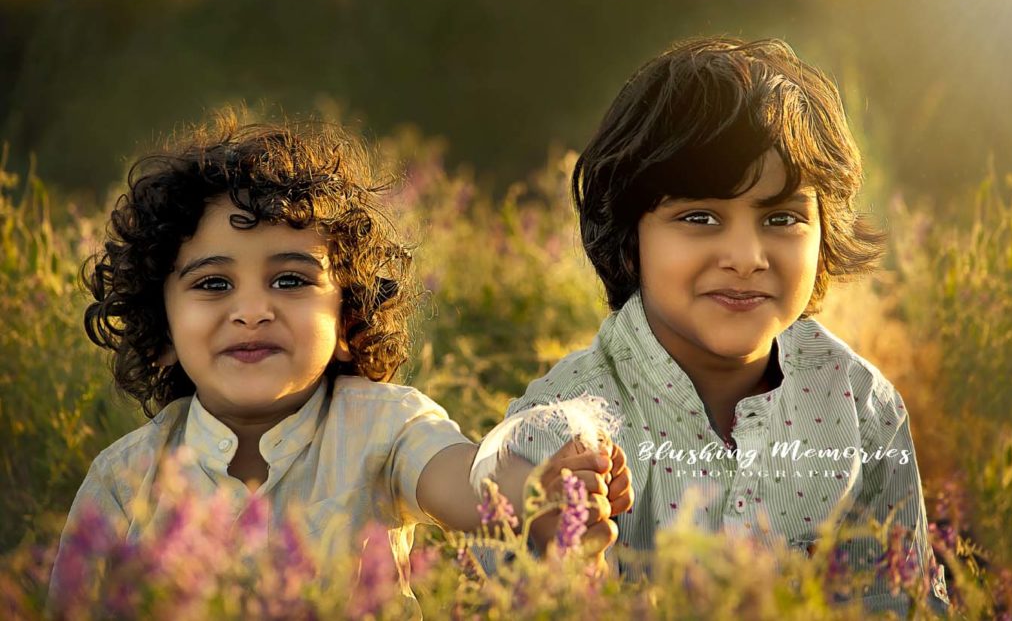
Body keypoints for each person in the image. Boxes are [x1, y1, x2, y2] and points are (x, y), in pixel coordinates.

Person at [48, 115, 630, 610]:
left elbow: (464, 478)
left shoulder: (383, 425)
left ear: (347, 321)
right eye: (215, 283)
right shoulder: (126, 478)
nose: (252, 310)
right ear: (165, 329)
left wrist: (539, 494)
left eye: (290, 279)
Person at [503, 37, 949, 613]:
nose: (746, 256)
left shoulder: (860, 408)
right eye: (700, 216)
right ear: (629, 236)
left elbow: (903, 601)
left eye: (782, 217)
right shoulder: (553, 429)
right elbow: (494, 596)